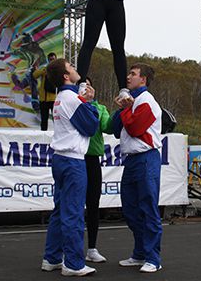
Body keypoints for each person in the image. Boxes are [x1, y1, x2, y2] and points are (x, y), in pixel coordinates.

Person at [41, 58, 100, 276]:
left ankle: (52, 257)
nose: (76, 70)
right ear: (66, 76)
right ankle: (73, 263)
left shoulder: (61, 97)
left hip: (60, 158)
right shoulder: (72, 98)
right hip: (72, 160)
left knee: (60, 210)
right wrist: (89, 102)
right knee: (73, 212)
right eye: (71, 68)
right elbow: (91, 127)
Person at [112, 63, 163, 273]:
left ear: (143, 80)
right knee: (130, 209)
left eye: (133, 74)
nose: (128, 77)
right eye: (128, 73)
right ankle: (140, 252)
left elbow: (134, 129)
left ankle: (153, 258)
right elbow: (116, 130)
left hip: (146, 158)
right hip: (132, 160)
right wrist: (120, 109)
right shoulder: (132, 102)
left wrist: (126, 109)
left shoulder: (148, 102)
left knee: (148, 208)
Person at [83, 77, 114, 263]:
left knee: (93, 205)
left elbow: (106, 127)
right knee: (72, 206)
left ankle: (92, 248)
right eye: (82, 85)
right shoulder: (70, 103)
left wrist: (93, 104)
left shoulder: (99, 107)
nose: (85, 88)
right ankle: (66, 249)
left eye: (88, 85)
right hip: (76, 158)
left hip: (93, 159)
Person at [33, 52, 57, 131]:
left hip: (54, 99)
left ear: (56, 59)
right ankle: (43, 136)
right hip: (43, 98)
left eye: (53, 59)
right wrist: (45, 70)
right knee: (44, 119)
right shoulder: (45, 69)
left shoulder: (58, 70)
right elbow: (35, 75)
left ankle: (58, 134)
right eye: (50, 60)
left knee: (56, 119)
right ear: (48, 60)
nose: (51, 61)